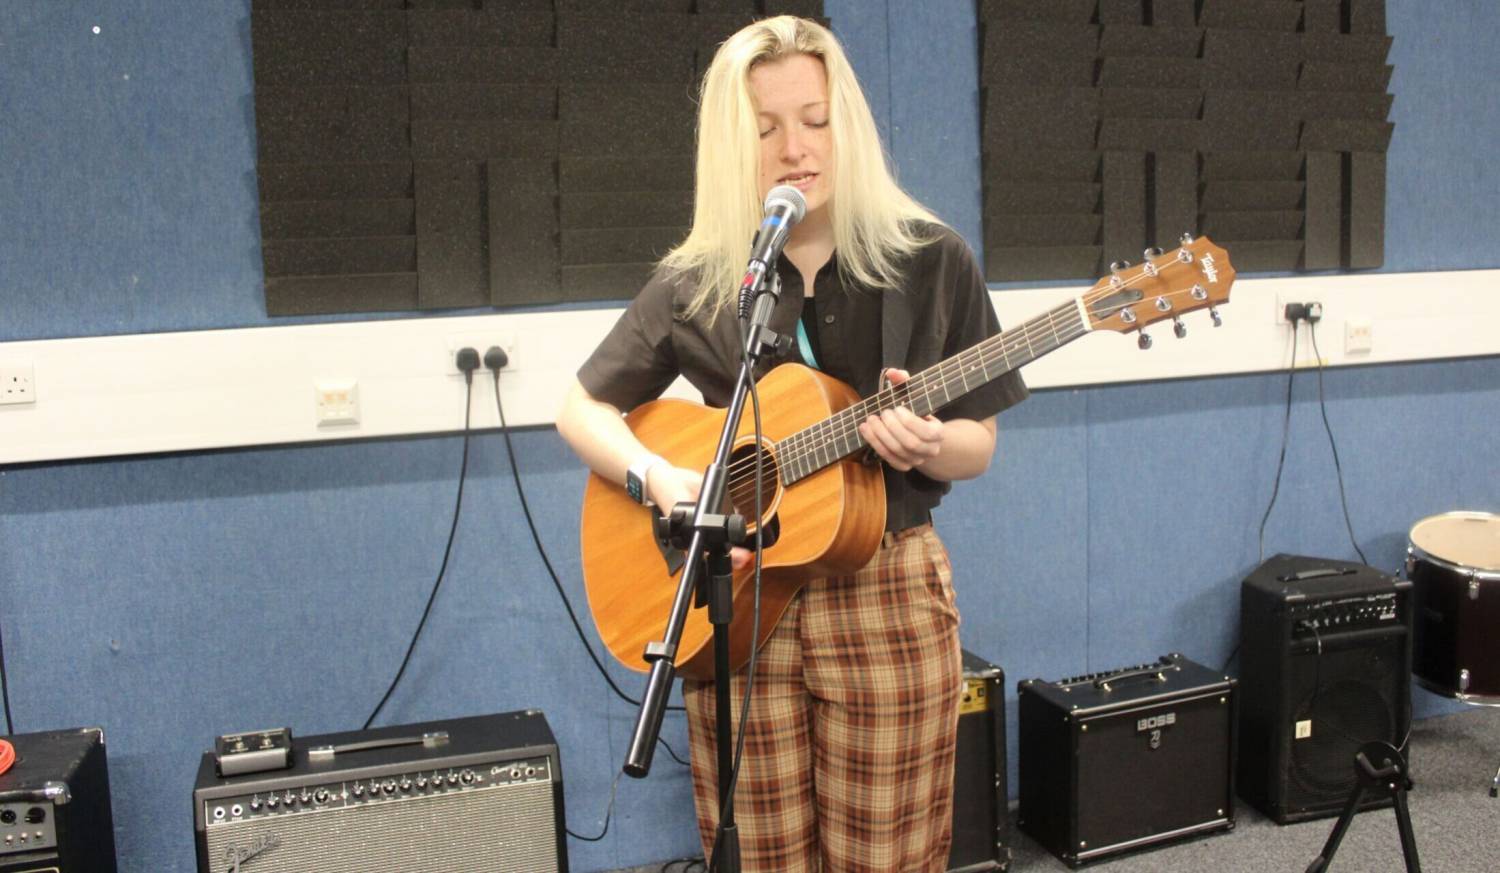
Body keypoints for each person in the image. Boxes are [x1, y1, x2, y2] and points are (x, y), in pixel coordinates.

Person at [556, 15, 1027, 872]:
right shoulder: (700, 280)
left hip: (884, 592)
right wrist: (662, 479)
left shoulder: (930, 259)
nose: (796, 148)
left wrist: (925, 443)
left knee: (889, 856)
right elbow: (580, 408)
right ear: (732, 147)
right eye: (765, 128)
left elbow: (978, 444)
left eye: (815, 119)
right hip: (739, 603)